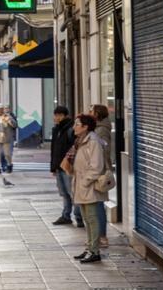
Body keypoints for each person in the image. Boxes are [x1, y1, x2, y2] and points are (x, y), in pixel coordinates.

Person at [71, 114, 107, 263]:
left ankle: (94, 251)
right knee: (87, 218)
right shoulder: (81, 140)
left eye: (77, 124)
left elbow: (96, 166)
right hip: (82, 184)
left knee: (92, 218)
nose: (74, 127)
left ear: (85, 127)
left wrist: (85, 181)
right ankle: (90, 247)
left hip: (89, 186)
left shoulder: (93, 141)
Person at [49, 106, 83, 227]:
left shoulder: (70, 129)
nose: (55, 117)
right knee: (64, 193)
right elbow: (54, 149)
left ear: (63, 116)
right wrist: (53, 167)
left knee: (72, 193)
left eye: (57, 115)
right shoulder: (56, 129)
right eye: (55, 115)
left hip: (68, 166)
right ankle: (66, 215)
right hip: (59, 166)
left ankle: (79, 217)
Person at [90, 104, 113, 248]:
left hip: (100, 172)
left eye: (91, 111)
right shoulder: (97, 129)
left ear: (97, 114)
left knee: (98, 204)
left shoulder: (102, 130)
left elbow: (104, 150)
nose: (89, 112)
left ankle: (102, 236)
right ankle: (97, 236)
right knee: (95, 204)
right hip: (97, 170)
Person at [0, 103, 16, 173]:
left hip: (6, 138)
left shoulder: (8, 116)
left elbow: (15, 125)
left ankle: (9, 165)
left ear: (1, 110)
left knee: (7, 154)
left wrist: (9, 121)